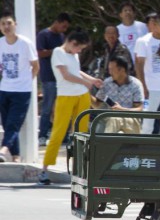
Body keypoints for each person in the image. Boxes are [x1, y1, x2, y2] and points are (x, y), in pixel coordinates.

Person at [39, 30, 102, 185]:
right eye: (79, 48)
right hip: (66, 96)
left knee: (81, 133)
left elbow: (76, 71)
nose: (80, 51)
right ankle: (44, 170)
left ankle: (80, 170)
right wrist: (86, 83)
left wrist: (92, 80)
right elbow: (66, 75)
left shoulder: (73, 54)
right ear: (73, 43)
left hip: (82, 96)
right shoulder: (58, 52)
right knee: (58, 133)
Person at [0, 12, 39, 162]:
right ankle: (16, 156)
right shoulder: (1, 43)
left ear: (15, 24)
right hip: (4, 89)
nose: (6, 27)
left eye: (9, 23)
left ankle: (3, 150)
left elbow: (35, 66)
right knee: (7, 123)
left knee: (13, 123)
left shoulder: (25, 43)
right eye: (3, 24)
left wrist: (28, 81)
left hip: (22, 91)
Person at [36, 12, 70, 146]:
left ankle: (64, 136)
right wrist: (56, 50)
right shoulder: (43, 35)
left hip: (62, 77)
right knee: (47, 108)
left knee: (63, 107)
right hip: (48, 77)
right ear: (57, 22)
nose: (64, 29)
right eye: (64, 26)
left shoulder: (62, 36)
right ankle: (42, 135)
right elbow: (39, 52)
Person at [92, 56, 144, 133]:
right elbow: (97, 105)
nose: (109, 72)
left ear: (122, 70)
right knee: (113, 119)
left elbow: (139, 109)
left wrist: (122, 109)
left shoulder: (136, 84)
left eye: (112, 69)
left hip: (130, 119)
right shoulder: (107, 83)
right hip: (109, 119)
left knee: (115, 119)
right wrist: (85, 93)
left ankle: (106, 143)